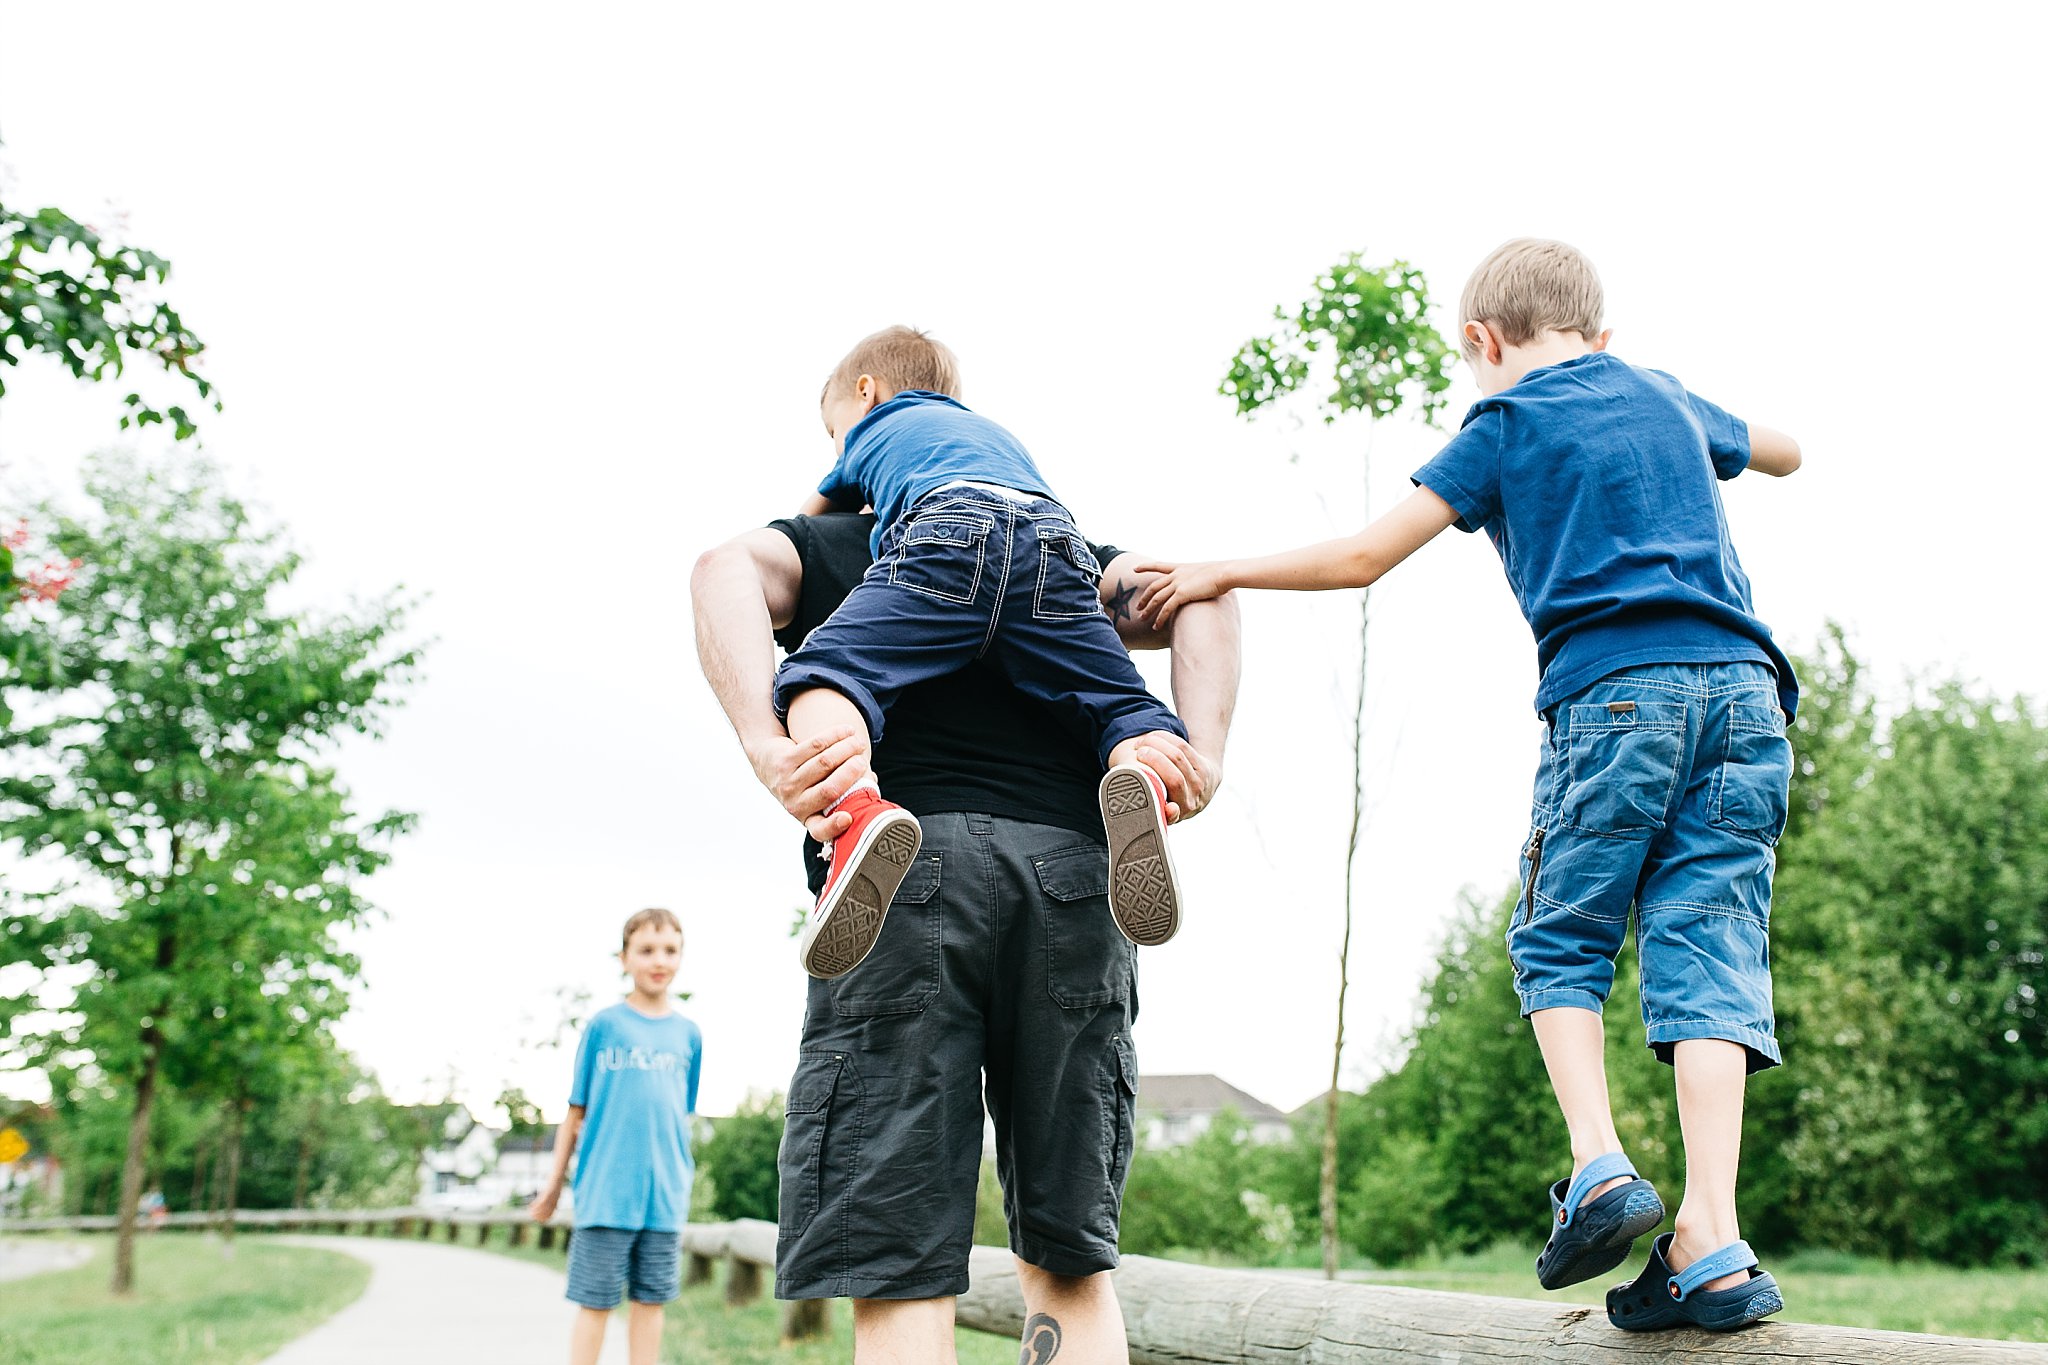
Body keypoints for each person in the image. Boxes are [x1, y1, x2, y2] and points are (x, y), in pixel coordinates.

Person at [1136, 238, 1801, 1333]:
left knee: (1560, 940)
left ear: (1478, 343)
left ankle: (1597, 1165)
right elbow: (1783, 451)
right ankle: (1711, 1242)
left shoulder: (1504, 423)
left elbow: (1361, 558)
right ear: (1600, 333)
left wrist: (1217, 569)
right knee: (1709, 945)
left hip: (1616, 696)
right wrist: (1672, 411)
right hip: (1745, 700)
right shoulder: (1665, 395)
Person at [692, 506, 1238, 1363]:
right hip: (1073, 874)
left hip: (903, 869)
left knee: (897, 1253)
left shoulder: (832, 545)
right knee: (1071, 1259)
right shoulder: (1057, 553)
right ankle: (1153, 756)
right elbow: (1206, 595)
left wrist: (765, 741)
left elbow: (722, 567)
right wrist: (1203, 754)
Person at [776, 327, 1197, 979]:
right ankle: (1141, 768)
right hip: (1056, 545)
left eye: (834, 429)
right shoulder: (992, 434)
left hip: (947, 531)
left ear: (866, 391)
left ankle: (855, 806)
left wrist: (840, 474)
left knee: (822, 671)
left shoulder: (872, 426)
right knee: (1117, 699)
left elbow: (813, 520)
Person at [531, 908, 704, 1365]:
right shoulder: (604, 1027)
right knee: (596, 1302)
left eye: (670, 950)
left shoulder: (689, 1035)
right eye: (646, 950)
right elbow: (574, 1115)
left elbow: (679, 1117)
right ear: (625, 958)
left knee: (650, 1303)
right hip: (606, 1193)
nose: (658, 960)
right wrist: (553, 1187)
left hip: (663, 1198)